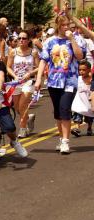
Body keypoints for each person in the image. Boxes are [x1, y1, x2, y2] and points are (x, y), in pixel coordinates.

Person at [34, 14, 84, 154]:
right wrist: (38, 80)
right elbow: (44, 60)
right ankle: (62, 138)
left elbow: (80, 56)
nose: (66, 27)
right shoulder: (50, 42)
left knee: (64, 109)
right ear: (58, 26)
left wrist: (72, 39)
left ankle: (66, 141)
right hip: (53, 81)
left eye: (68, 24)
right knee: (57, 112)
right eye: (63, 25)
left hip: (70, 80)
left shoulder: (75, 39)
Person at [7, 30, 39, 138]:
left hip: (28, 82)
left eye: (24, 38)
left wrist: (30, 73)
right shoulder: (13, 52)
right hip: (16, 82)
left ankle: (23, 129)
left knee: (22, 105)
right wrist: (14, 76)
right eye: (19, 38)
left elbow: (39, 67)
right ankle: (28, 117)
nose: (21, 40)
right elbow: (8, 67)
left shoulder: (33, 52)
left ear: (28, 40)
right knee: (17, 108)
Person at [71, 60, 93, 137]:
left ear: (89, 70)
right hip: (79, 101)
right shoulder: (78, 79)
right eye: (80, 70)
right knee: (78, 113)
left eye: (84, 70)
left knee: (89, 117)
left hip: (89, 102)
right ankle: (77, 128)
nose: (81, 72)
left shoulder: (92, 80)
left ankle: (89, 127)